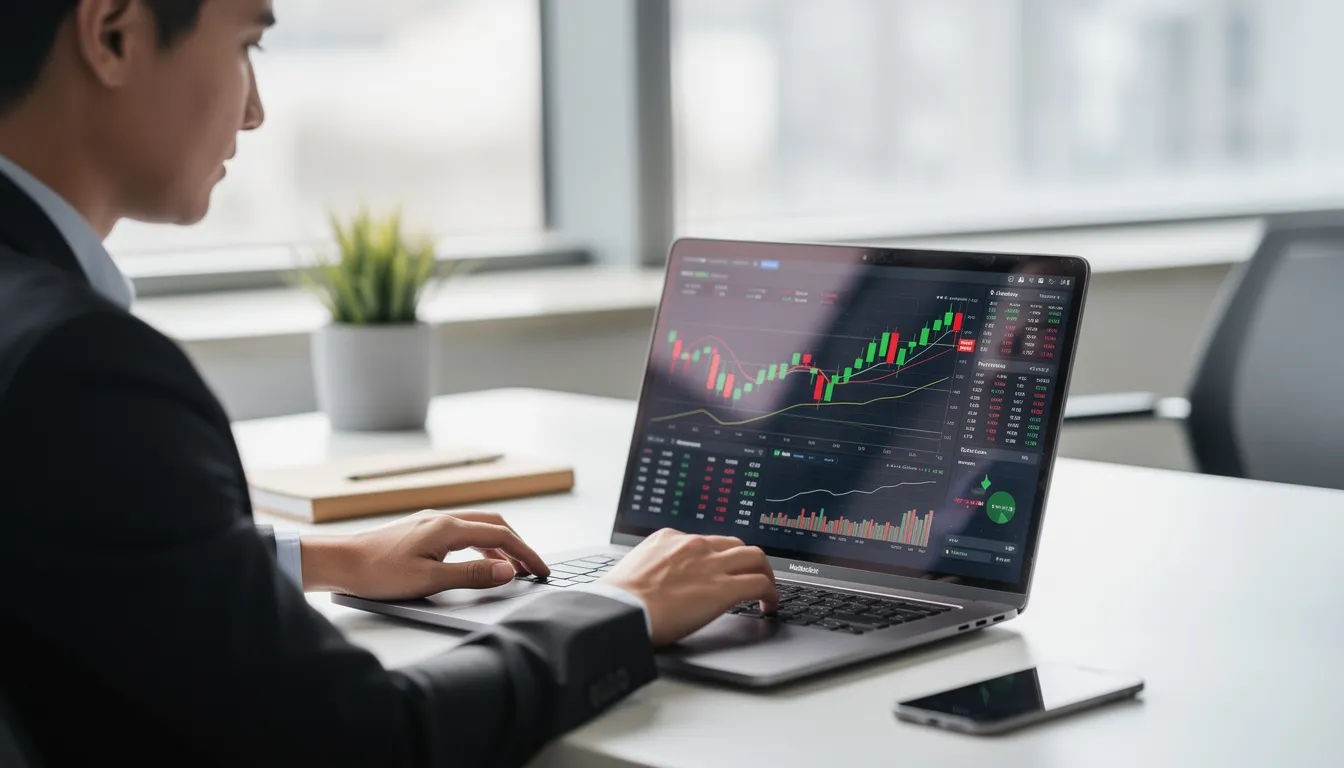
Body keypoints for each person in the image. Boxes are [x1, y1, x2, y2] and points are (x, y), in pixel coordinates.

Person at [0, 1, 779, 765]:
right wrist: (618, 608)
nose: (255, 113)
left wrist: (318, 559)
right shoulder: (81, 369)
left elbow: (70, 565)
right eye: (246, 46)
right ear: (112, 34)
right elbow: (363, 738)